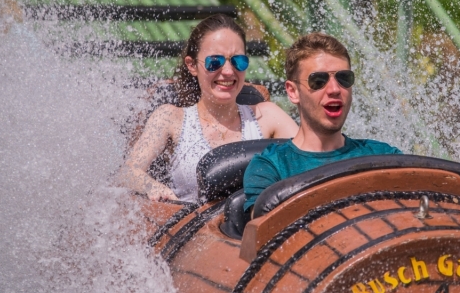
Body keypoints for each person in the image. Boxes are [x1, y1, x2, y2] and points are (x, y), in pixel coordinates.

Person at [120, 15, 298, 202]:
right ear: (192, 65)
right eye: (215, 62)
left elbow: (313, 154)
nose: (228, 71)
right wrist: (152, 187)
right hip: (195, 226)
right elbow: (128, 172)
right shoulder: (169, 118)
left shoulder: (267, 116)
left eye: (238, 61)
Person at [242, 33, 401, 212]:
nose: (334, 89)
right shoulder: (270, 169)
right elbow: (263, 234)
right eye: (318, 81)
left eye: (343, 79)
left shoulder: (384, 156)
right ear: (293, 92)